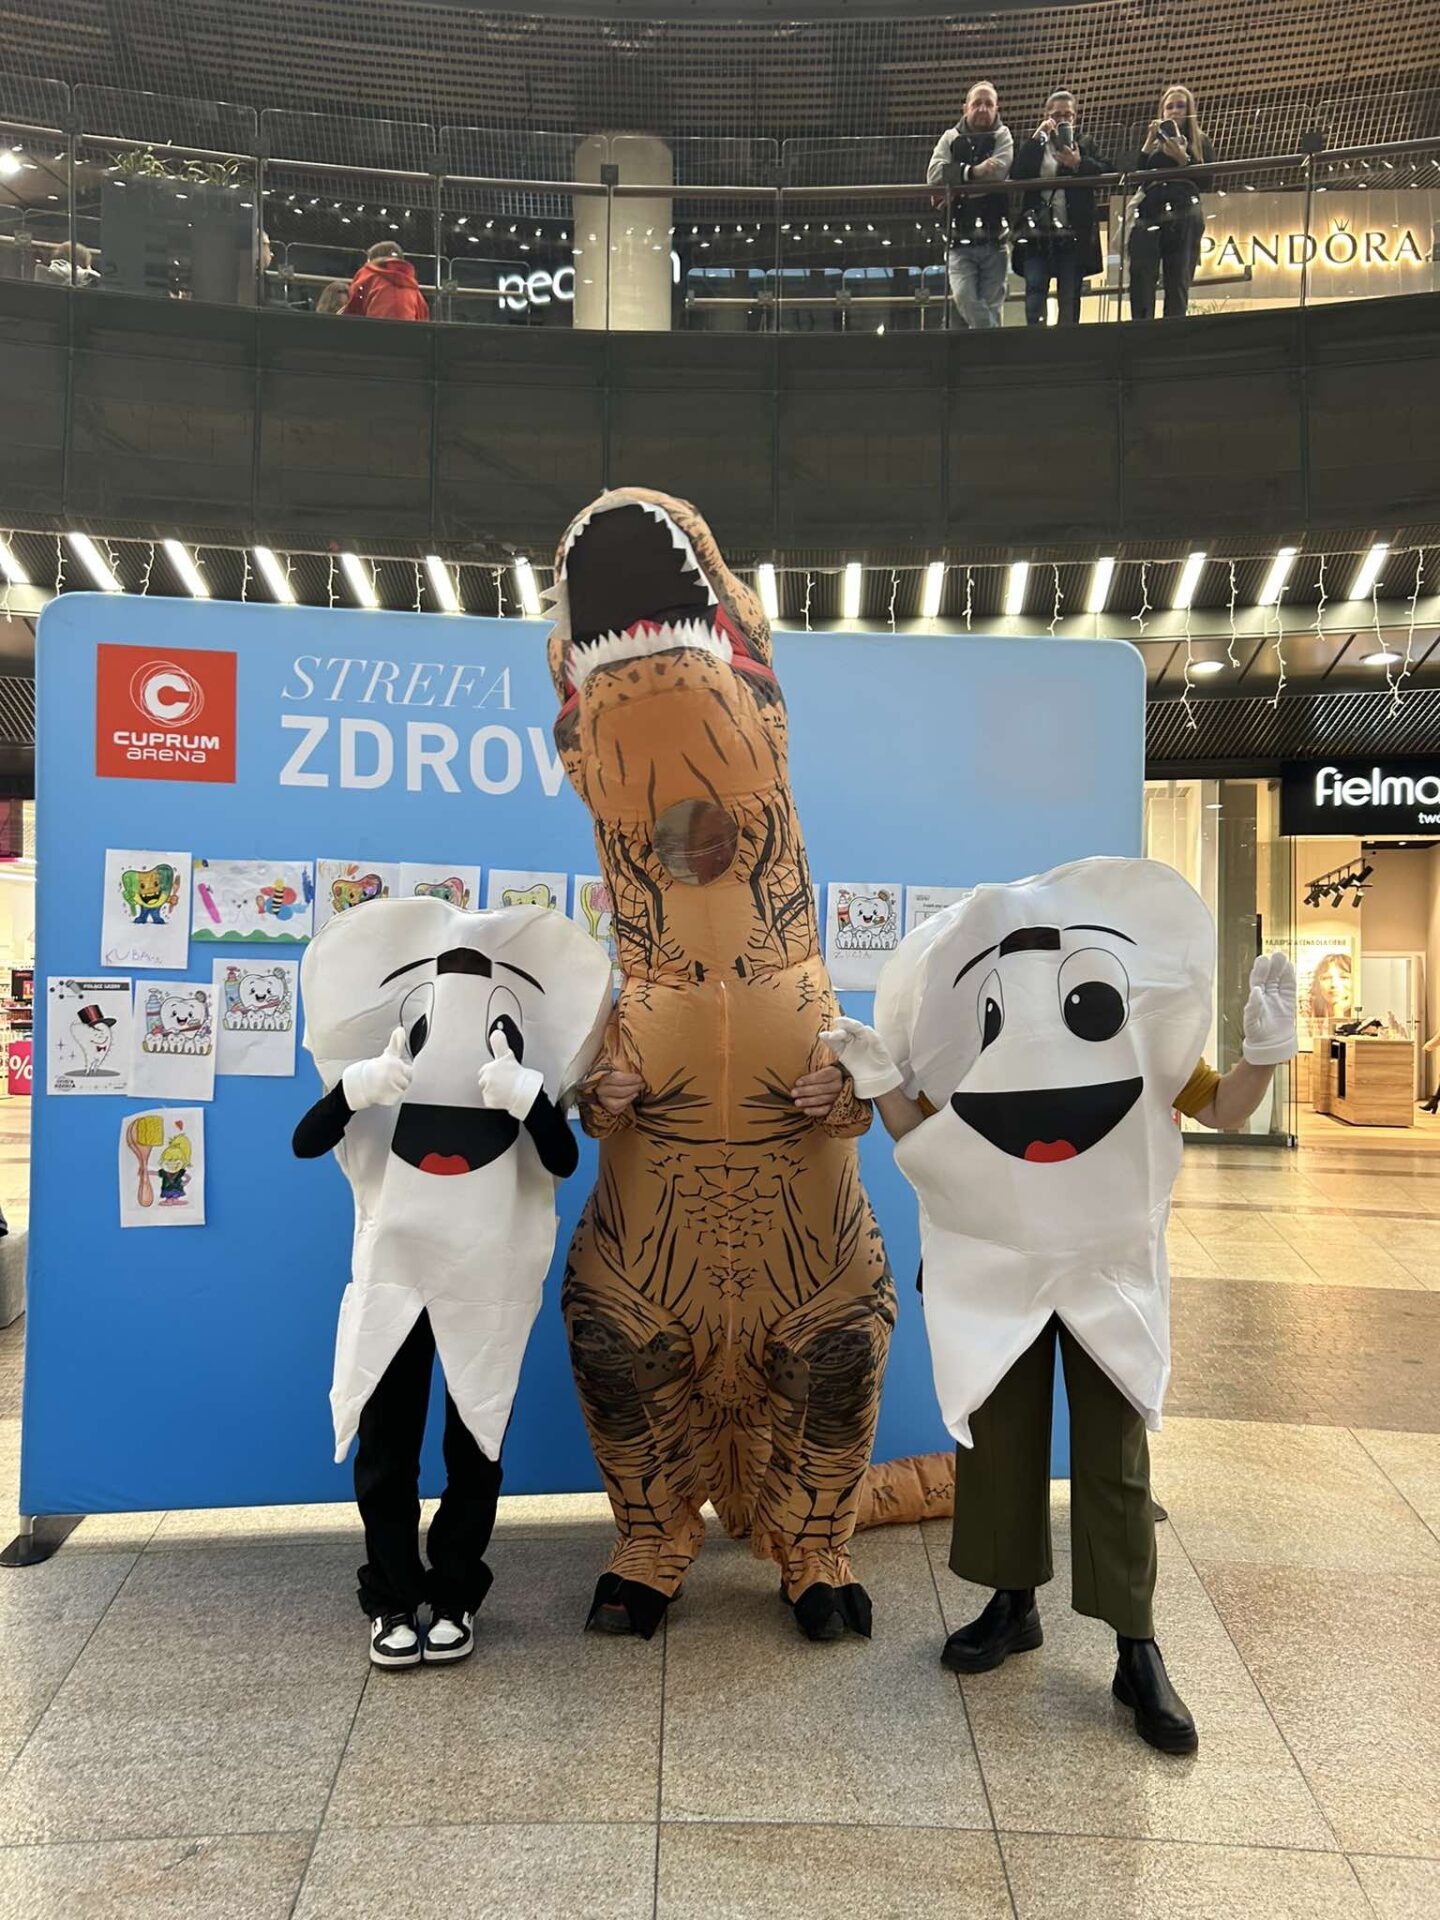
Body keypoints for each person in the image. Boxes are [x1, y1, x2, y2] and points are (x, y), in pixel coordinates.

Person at [823, 864, 1299, 1756]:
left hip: (1103, 1267)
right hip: (995, 1262)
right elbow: (925, 1135)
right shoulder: (964, 1038)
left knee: (1114, 1453)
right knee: (999, 1439)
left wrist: (1266, 1052)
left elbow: (1227, 1110)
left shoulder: (1141, 1037)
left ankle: (1136, 1645)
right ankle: (1013, 1604)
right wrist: (882, 1078)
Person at [294, 896, 610, 1669]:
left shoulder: (517, 1079)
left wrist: (530, 1100)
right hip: (395, 1278)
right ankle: (392, 1595)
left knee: (477, 1442)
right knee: (386, 1447)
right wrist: (355, 1088)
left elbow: (562, 1160)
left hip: (485, 1279)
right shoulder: (388, 1074)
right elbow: (307, 1140)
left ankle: (457, 1589)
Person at [1010, 90, 1107, 325]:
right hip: (1038, 234)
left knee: (1069, 298)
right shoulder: (1037, 144)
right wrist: (1037, 137)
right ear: (1047, 116)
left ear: (1075, 117)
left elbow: (1106, 171)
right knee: (1034, 294)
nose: (1062, 120)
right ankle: (1036, 341)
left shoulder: (1085, 143)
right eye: (1056, 115)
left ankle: (1068, 344)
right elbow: (1017, 173)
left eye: (1067, 115)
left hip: (1073, 234)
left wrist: (1078, 163)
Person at [927, 82, 1015, 330]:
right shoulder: (950, 137)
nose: (982, 109)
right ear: (965, 108)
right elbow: (933, 174)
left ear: (997, 108)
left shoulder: (1003, 135)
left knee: (992, 305)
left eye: (988, 104)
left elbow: (998, 172)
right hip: (958, 240)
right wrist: (975, 172)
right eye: (977, 103)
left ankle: (986, 350)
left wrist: (958, 186)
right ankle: (993, 341)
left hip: (995, 238)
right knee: (964, 297)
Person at [1128, 84, 1215, 321]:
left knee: (1178, 277)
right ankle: (1141, 329)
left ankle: (1173, 328)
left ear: (1189, 111)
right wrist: (1149, 142)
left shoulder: (1200, 141)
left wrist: (1183, 158)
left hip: (1184, 211)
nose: (1174, 111)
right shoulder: (1152, 144)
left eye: (1180, 106)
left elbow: (1207, 181)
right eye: (1169, 107)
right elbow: (1134, 178)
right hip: (1150, 212)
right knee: (1142, 277)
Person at [341, 240, 430, 321]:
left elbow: (352, 312)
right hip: (409, 332)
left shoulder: (366, 274)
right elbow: (423, 317)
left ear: (371, 260)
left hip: (374, 330)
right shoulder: (411, 284)